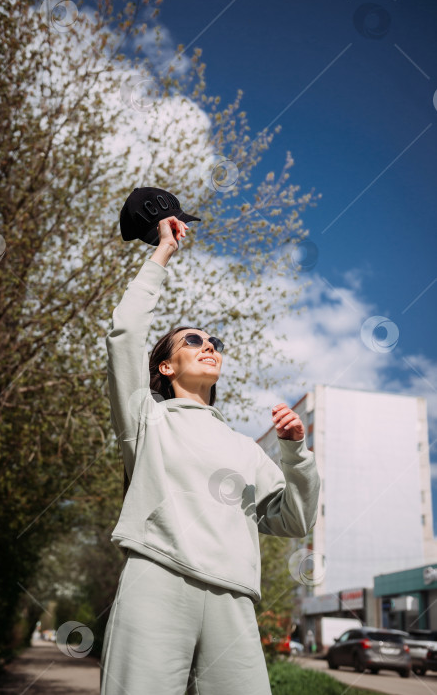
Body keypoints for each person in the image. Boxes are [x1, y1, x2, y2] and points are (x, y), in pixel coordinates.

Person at [100, 215, 321, 695]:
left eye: (214, 343)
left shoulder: (245, 449)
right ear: (165, 364)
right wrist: (162, 251)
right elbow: (125, 333)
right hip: (156, 580)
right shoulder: (146, 417)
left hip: (233, 597)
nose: (208, 347)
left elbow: (295, 519)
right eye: (193, 340)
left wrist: (295, 452)